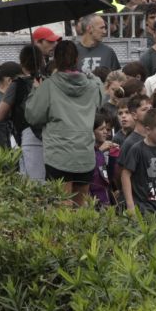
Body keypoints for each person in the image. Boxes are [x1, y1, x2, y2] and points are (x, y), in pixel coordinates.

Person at [23, 40, 100, 200]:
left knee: (60, 206)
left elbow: (33, 116)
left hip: (58, 156)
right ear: (77, 58)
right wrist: (91, 76)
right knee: (81, 208)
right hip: (85, 155)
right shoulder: (92, 86)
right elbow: (101, 98)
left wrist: (35, 91)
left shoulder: (48, 86)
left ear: (55, 59)